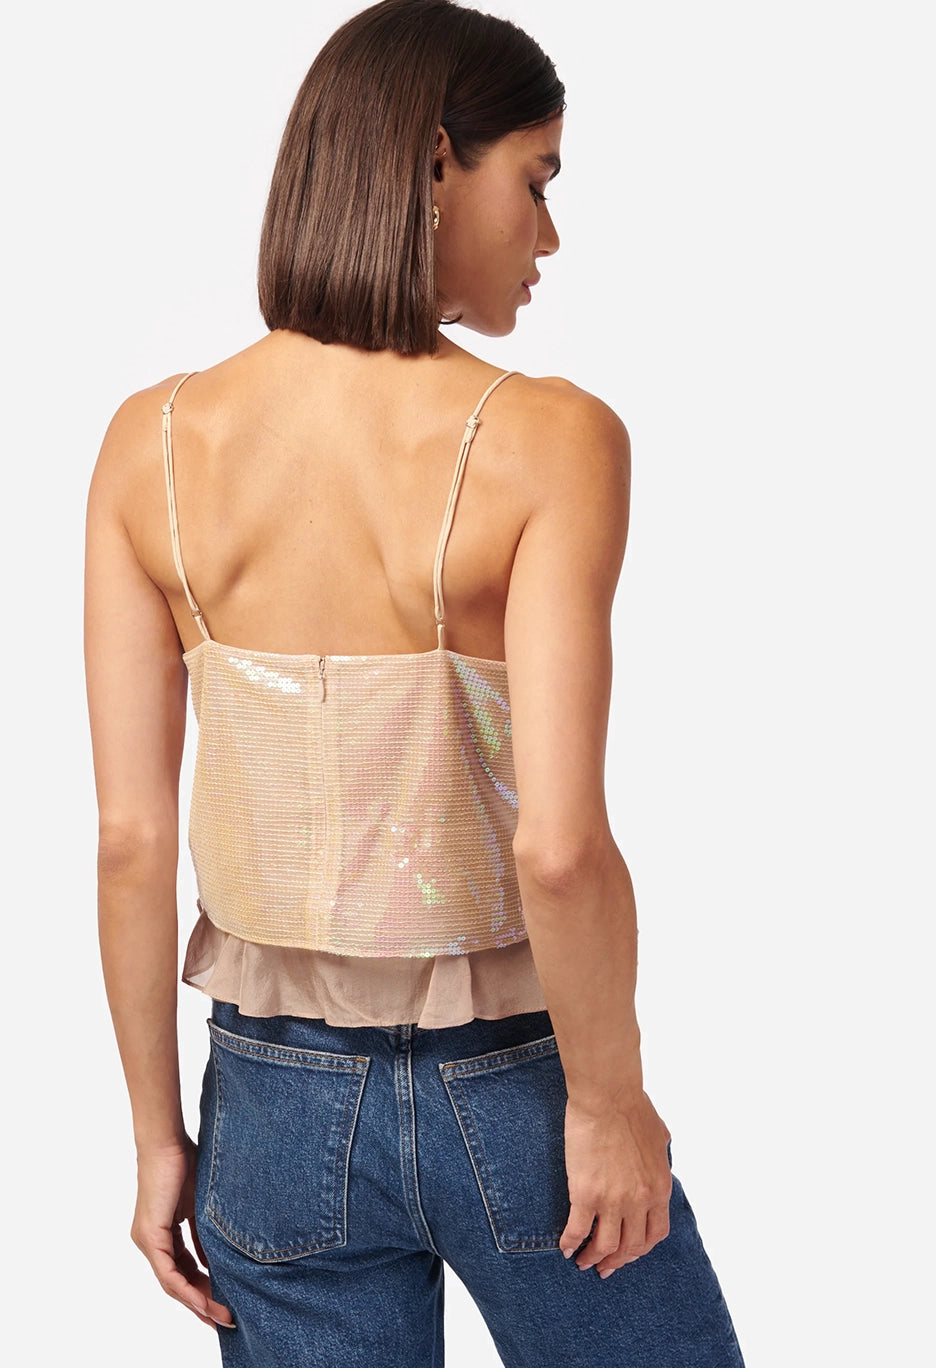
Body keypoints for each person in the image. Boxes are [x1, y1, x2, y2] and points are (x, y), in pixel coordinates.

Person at [84, 1, 746, 1363]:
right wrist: (609, 1100)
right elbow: (557, 849)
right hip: (514, 1087)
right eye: (538, 181)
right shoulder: (551, 439)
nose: (550, 237)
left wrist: (158, 1136)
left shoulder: (150, 445)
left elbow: (132, 841)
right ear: (438, 161)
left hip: (266, 1103)